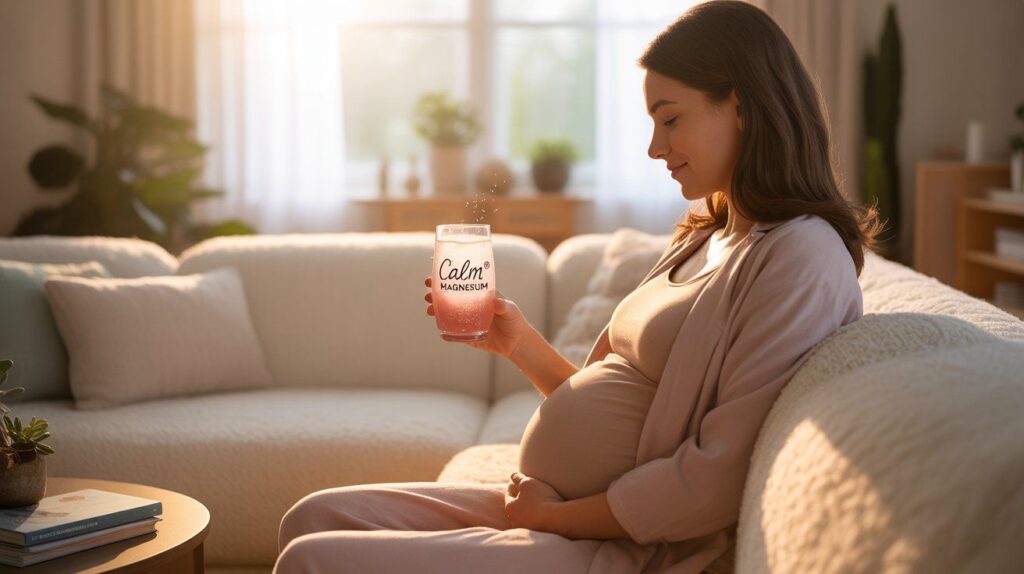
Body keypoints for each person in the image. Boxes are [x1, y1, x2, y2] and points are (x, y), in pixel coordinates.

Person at [274, 1, 880, 572]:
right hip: (562, 510)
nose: (654, 147)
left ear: (743, 107)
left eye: (671, 119)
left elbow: (717, 478)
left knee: (311, 560)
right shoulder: (707, 237)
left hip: (620, 546)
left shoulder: (800, 255)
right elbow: (620, 404)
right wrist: (520, 345)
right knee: (311, 516)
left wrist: (557, 519)